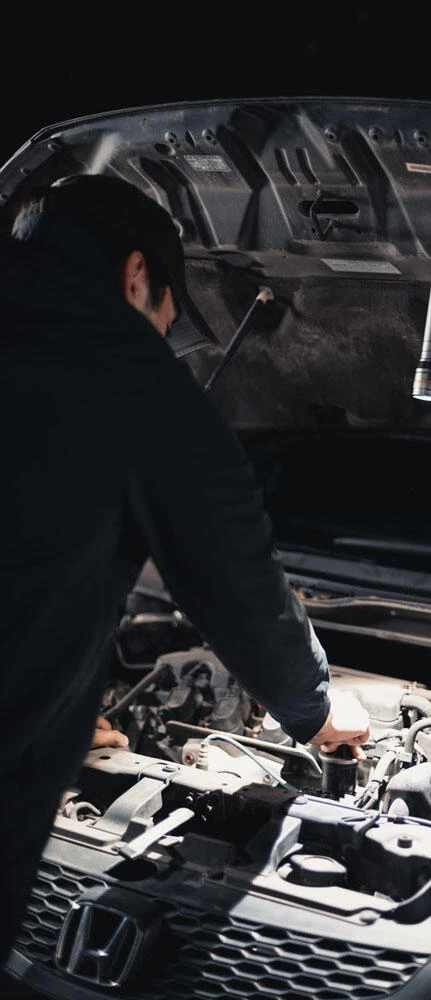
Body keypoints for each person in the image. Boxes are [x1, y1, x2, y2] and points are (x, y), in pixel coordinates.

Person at [0, 174, 370, 967]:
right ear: (137, 275)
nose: (162, 336)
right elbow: (230, 574)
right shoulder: (122, 368)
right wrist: (312, 707)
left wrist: (62, 704)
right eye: (168, 318)